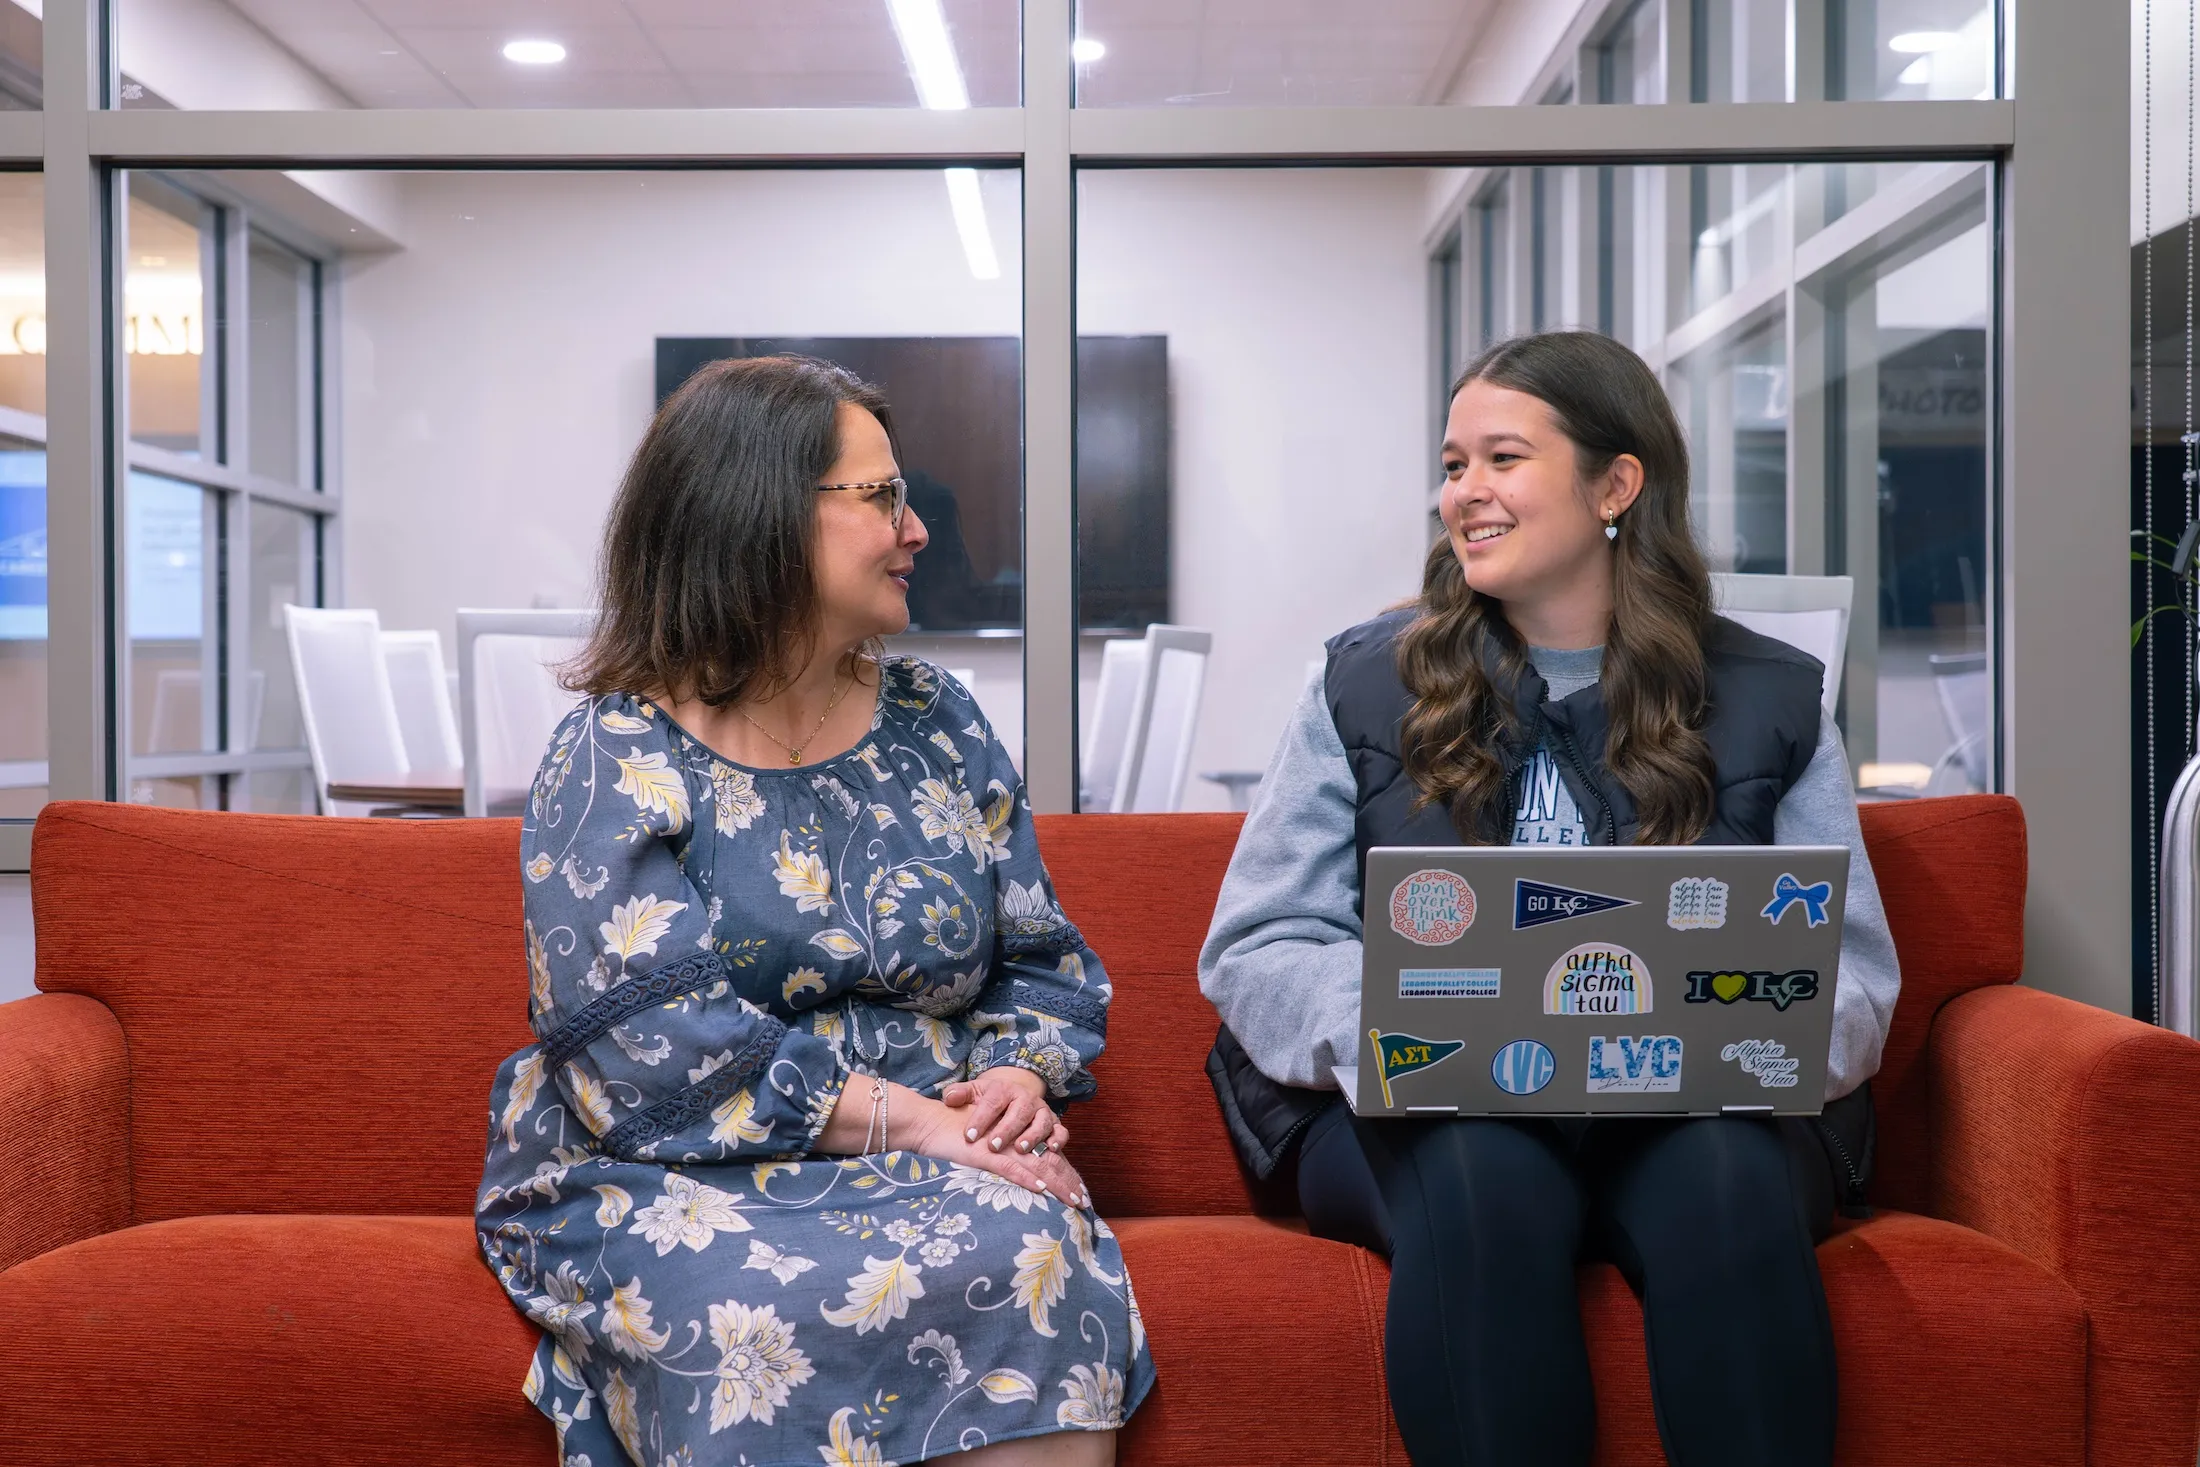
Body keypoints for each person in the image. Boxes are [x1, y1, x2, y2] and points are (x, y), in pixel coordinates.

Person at [1198, 330, 1900, 1467]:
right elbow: (1260, 937)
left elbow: (1852, 970)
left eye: (1501, 460)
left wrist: (1746, 1048)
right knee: (1479, 1178)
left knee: (1726, 1185)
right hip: (1428, 1108)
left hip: (1691, 1108)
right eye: (1452, 463)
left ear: (1616, 483)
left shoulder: (1769, 694)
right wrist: (1404, 1031)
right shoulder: (1360, 681)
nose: (1461, 494)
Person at [477, 355, 1150, 1467]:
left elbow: (1038, 957)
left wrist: (1013, 1080)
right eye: (881, 497)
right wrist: (930, 1122)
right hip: (677, 1169)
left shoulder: (938, 721)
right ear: (756, 520)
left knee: (1037, 1247)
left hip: (943, 1155)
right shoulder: (614, 755)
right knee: (745, 1312)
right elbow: (649, 1051)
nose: (918, 529)